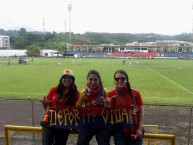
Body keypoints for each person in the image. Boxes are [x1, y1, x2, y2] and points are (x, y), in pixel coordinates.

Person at [40, 69, 79, 145]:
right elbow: (47, 108)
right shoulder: (54, 90)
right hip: (50, 121)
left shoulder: (75, 93)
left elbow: (76, 110)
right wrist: (44, 104)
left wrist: (75, 124)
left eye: (70, 78)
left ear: (73, 80)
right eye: (64, 78)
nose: (67, 80)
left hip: (64, 123)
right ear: (61, 79)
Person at [107, 69, 144, 145]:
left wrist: (140, 129)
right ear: (114, 81)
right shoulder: (110, 95)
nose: (120, 81)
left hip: (135, 129)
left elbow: (141, 112)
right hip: (119, 131)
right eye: (117, 79)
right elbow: (109, 115)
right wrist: (106, 105)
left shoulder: (136, 93)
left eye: (122, 79)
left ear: (127, 80)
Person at [76, 70, 111, 145]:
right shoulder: (83, 93)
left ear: (99, 80)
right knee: (81, 143)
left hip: (102, 124)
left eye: (95, 79)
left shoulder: (105, 92)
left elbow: (110, 110)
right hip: (88, 123)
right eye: (90, 79)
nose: (93, 82)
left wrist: (107, 105)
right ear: (87, 79)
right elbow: (76, 108)